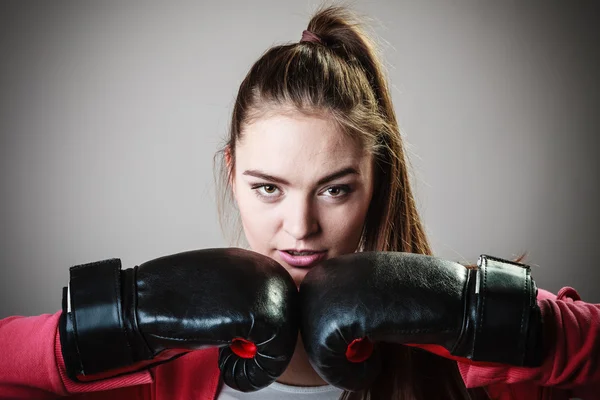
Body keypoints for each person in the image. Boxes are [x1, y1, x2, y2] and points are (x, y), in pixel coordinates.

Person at [1, 4, 599, 400]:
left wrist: (474, 313)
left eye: (335, 189)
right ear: (232, 175)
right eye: (268, 187)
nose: (300, 227)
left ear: (376, 184)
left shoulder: (466, 360)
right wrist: (126, 319)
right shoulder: (165, 369)